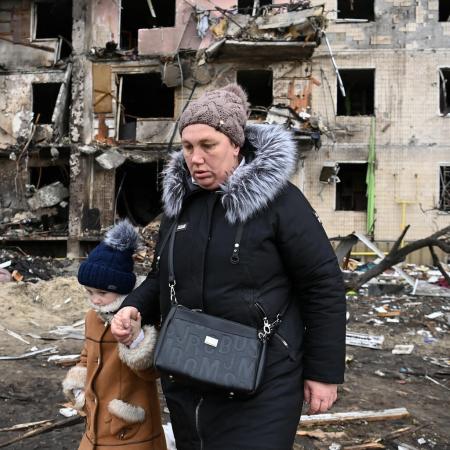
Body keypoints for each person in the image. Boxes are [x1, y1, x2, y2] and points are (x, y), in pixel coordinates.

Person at [111, 84, 346, 450]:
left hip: (264, 378)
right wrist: (134, 307)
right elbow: (162, 276)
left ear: (235, 144)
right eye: (188, 147)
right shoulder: (181, 206)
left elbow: (323, 285)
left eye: (208, 145)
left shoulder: (281, 202)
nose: (196, 158)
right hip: (189, 372)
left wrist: (323, 373)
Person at [62, 220, 167, 450]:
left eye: (102, 292)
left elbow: (152, 372)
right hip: (95, 423)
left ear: (122, 289)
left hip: (129, 427)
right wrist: (80, 388)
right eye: (89, 292)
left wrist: (136, 342)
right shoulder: (93, 317)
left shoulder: (139, 316)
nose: (95, 299)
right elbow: (86, 355)